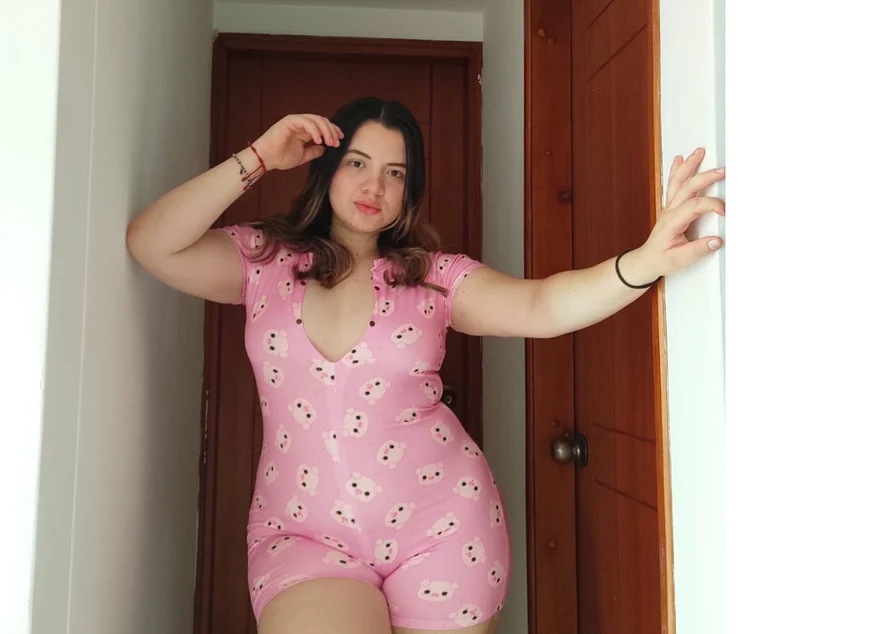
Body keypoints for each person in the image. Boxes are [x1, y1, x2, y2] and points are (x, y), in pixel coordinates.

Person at [126, 97, 725, 634]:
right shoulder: (263, 260)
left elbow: (542, 306)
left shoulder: (434, 278)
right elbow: (152, 244)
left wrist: (646, 261)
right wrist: (259, 156)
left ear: (409, 191)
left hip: (444, 529)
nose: (375, 185)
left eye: (396, 173)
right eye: (357, 163)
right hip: (303, 535)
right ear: (326, 169)